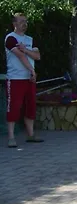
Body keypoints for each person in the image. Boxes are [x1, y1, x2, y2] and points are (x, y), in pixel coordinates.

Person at [5, 13, 43, 148]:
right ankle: (11, 137)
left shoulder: (30, 39)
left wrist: (25, 49)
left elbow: (37, 56)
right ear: (14, 23)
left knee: (30, 106)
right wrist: (32, 70)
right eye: (21, 21)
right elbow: (20, 56)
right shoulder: (10, 38)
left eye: (26, 21)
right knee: (14, 107)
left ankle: (30, 134)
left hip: (29, 79)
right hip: (16, 78)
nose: (24, 24)